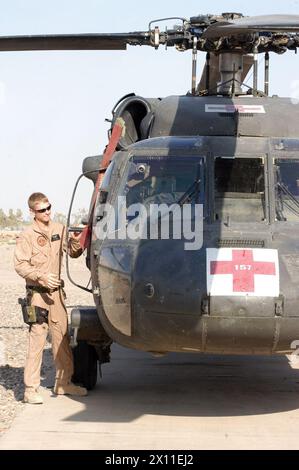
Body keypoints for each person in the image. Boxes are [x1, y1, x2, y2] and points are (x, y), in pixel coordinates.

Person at [14, 192, 87, 404]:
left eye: (48, 208)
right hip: (37, 295)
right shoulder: (27, 235)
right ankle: (30, 389)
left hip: (57, 296)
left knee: (62, 338)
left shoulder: (59, 229)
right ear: (32, 212)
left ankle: (64, 383)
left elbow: (74, 253)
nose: (46, 212)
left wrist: (75, 242)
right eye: (41, 210)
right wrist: (41, 276)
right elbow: (20, 265)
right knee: (37, 341)